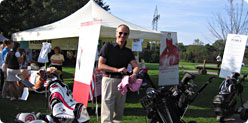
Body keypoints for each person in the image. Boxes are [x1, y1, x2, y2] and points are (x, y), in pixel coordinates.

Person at [98, 24, 139, 123]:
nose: (122, 35)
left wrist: (134, 74)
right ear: (116, 33)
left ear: (128, 36)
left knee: (119, 112)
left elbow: (136, 66)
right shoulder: (107, 47)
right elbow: (100, 65)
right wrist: (117, 70)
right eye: (120, 33)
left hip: (122, 83)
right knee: (107, 112)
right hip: (109, 80)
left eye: (125, 34)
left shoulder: (128, 51)